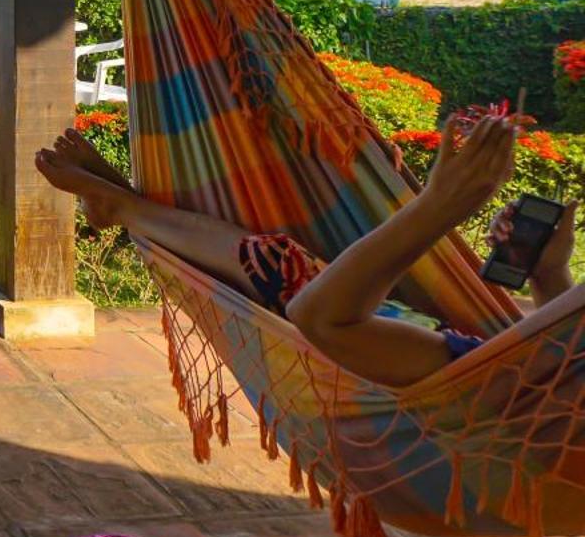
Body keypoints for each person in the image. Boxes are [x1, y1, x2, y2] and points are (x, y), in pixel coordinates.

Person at [35, 115, 575, 388]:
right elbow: (566, 352)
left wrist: (440, 207)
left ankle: (121, 205)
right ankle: (124, 204)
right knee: (283, 254)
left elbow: (320, 320)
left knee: (278, 261)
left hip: (463, 378)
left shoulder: (490, 391)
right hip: (458, 343)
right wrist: (550, 275)